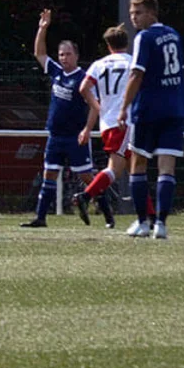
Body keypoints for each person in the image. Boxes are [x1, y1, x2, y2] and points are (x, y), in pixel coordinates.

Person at [116, 0, 184, 240]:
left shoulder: (144, 37)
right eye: (132, 13)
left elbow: (136, 74)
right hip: (174, 109)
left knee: (138, 163)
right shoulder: (174, 35)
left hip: (148, 110)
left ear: (152, 13)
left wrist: (124, 107)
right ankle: (162, 226)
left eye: (139, 13)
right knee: (167, 166)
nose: (134, 18)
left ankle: (143, 222)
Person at [20, 9, 97, 229]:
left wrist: (87, 129)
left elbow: (94, 106)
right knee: (49, 173)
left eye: (68, 54)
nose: (64, 58)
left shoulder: (83, 78)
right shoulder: (56, 72)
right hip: (55, 135)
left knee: (86, 176)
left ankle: (107, 211)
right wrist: (42, 28)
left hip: (75, 137)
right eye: (61, 54)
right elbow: (40, 54)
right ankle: (40, 217)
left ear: (76, 56)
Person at [73, 26, 132, 229]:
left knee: (134, 169)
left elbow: (84, 88)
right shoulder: (132, 62)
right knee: (116, 169)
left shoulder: (99, 64)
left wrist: (98, 107)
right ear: (127, 43)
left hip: (106, 123)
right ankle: (85, 196)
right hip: (124, 122)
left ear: (108, 45)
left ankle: (149, 216)